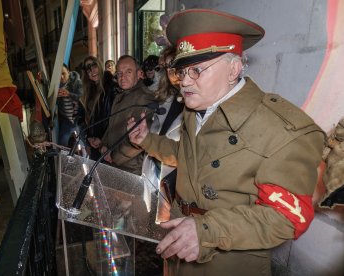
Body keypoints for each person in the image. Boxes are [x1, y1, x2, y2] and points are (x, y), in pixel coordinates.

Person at [128, 9, 325, 275]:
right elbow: (187, 158)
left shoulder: (279, 128)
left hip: (228, 261)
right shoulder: (195, 109)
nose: (184, 81)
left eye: (197, 70)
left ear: (234, 68)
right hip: (179, 250)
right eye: (182, 70)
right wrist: (146, 140)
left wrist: (207, 231)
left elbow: (289, 217)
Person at [142, 45, 184, 223]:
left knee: (172, 227)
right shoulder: (169, 98)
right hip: (158, 168)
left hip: (177, 179)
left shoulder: (196, 101)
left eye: (174, 64)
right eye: (167, 67)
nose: (172, 72)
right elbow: (158, 132)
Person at [100, 55, 157, 175]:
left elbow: (138, 139)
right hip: (113, 164)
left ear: (139, 74)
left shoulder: (144, 97)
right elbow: (112, 125)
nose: (122, 77)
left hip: (130, 170)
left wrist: (114, 156)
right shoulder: (120, 96)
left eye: (128, 72)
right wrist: (104, 144)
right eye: (119, 73)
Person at [80, 56, 117, 160]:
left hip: (107, 146)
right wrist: (88, 140)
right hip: (94, 145)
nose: (92, 71)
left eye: (94, 65)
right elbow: (86, 120)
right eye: (88, 69)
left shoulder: (111, 87)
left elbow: (115, 119)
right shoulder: (88, 92)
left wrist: (103, 140)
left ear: (100, 66)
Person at [57, 63, 82, 147]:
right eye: (59, 74)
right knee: (62, 144)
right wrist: (55, 97)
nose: (61, 77)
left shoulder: (77, 82)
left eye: (63, 73)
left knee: (83, 145)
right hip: (66, 120)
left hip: (79, 120)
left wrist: (69, 94)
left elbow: (81, 98)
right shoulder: (57, 86)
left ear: (68, 71)